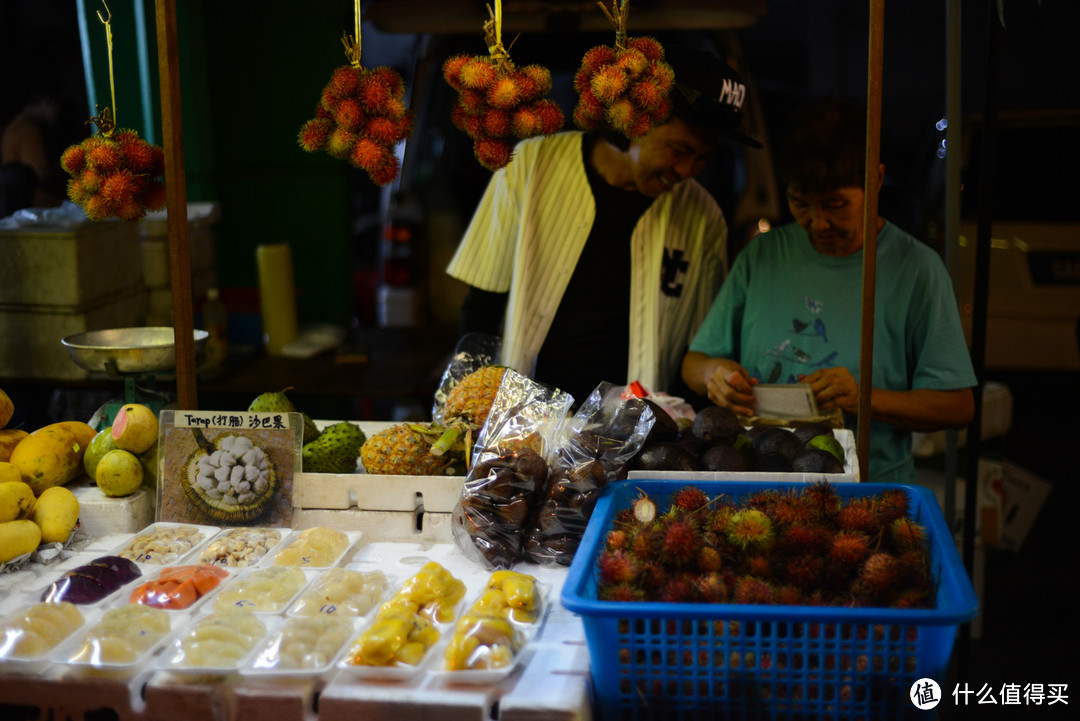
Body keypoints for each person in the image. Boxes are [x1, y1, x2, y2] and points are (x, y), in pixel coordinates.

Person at [682, 97, 976, 484]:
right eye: (800, 203)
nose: (818, 223)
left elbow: (957, 407)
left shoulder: (916, 269)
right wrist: (714, 375)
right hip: (756, 481)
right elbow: (695, 362)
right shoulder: (763, 255)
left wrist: (861, 398)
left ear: (876, 181)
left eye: (836, 204)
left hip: (868, 487)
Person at [445, 46, 762, 404]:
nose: (687, 171)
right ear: (636, 122)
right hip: (522, 420)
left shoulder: (703, 216)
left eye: (702, 158)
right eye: (678, 150)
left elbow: (699, 346)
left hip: (629, 434)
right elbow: (483, 304)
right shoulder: (531, 164)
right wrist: (468, 404)